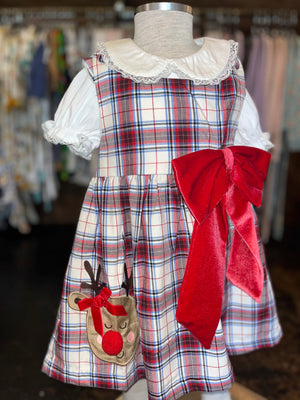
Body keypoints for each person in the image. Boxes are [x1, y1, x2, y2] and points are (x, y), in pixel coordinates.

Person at [42, 3, 282, 399]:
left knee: (204, 340)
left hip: (209, 224)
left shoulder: (226, 66)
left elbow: (244, 142)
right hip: (135, 228)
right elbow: (75, 133)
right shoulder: (104, 69)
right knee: (139, 327)